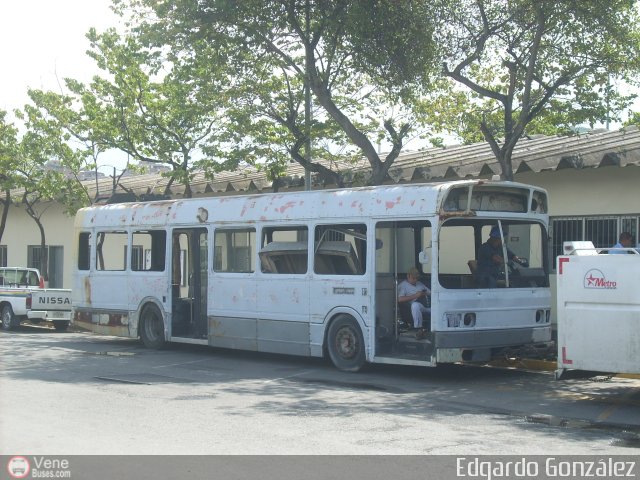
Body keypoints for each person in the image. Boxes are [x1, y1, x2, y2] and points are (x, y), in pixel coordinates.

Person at [398, 267, 431, 339]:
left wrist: (423, 294)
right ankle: (418, 329)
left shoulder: (419, 283)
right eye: (413, 278)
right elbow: (400, 299)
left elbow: (430, 293)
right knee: (415, 305)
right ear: (408, 276)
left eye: (416, 278)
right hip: (415, 306)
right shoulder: (403, 285)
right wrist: (416, 295)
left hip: (426, 304)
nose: (415, 280)